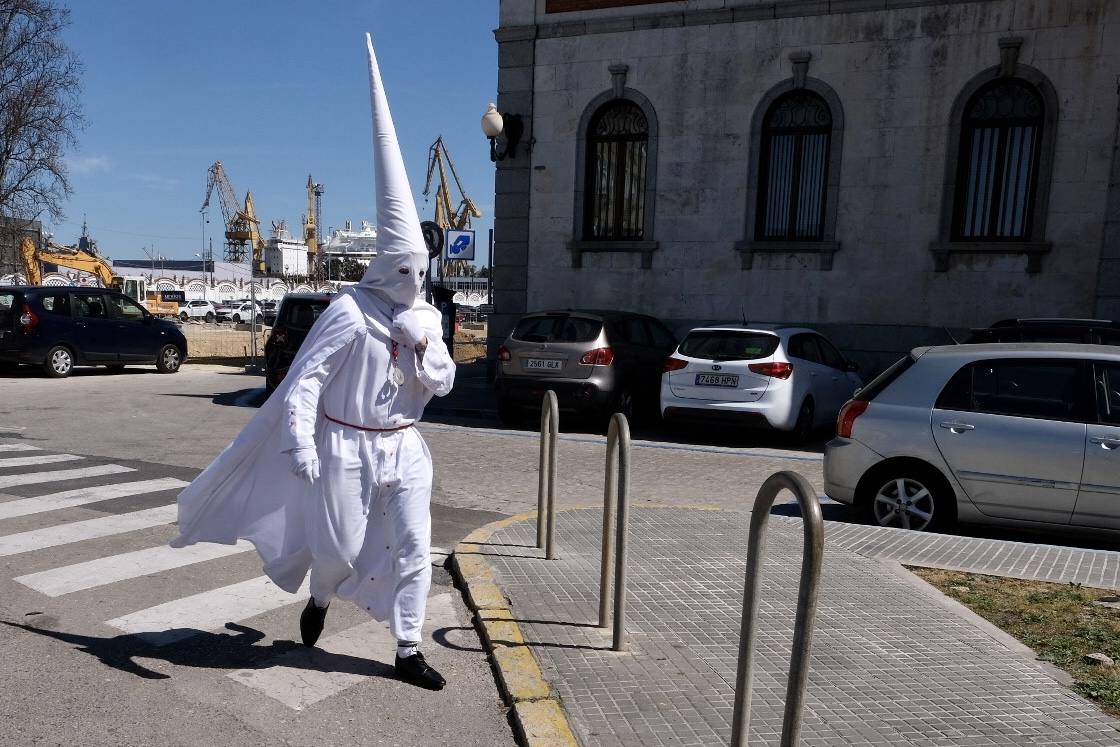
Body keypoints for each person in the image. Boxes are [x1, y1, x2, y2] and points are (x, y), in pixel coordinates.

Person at [171, 33, 455, 691]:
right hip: (346, 447)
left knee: (417, 547)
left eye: (421, 270)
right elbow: (305, 382)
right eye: (405, 269)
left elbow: (442, 383)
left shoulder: (424, 316)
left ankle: (408, 647)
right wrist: (302, 443)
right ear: (387, 264)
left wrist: (422, 345)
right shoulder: (349, 312)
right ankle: (322, 593)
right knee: (341, 549)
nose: (414, 279)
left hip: (404, 445)